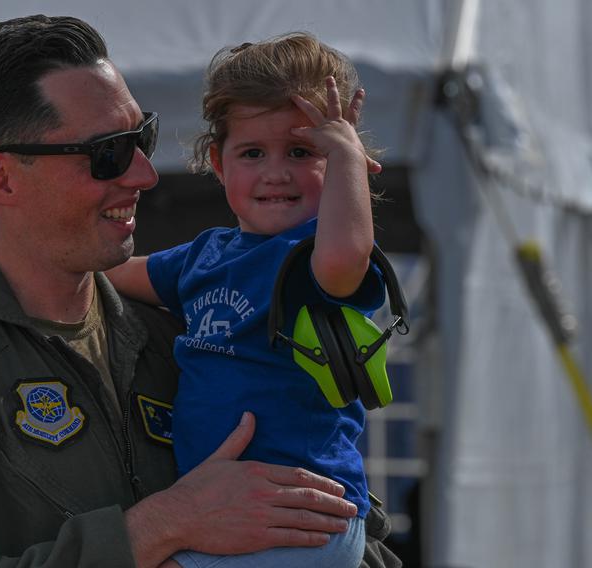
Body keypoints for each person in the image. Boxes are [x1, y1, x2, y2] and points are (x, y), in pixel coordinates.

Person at [0, 15, 401, 568]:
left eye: (142, 138)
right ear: (0, 178)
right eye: (107, 152)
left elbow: (341, 526)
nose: (144, 174)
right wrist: (158, 527)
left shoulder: (186, 332)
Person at [105, 33, 385, 567]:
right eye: (252, 152)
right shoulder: (205, 256)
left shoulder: (313, 255)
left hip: (302, 517)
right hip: (224, 514)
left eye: (303, 152)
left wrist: (347, 156)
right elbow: (111, 274)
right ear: (218, 160)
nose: (275, 171)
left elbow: (348, 256)